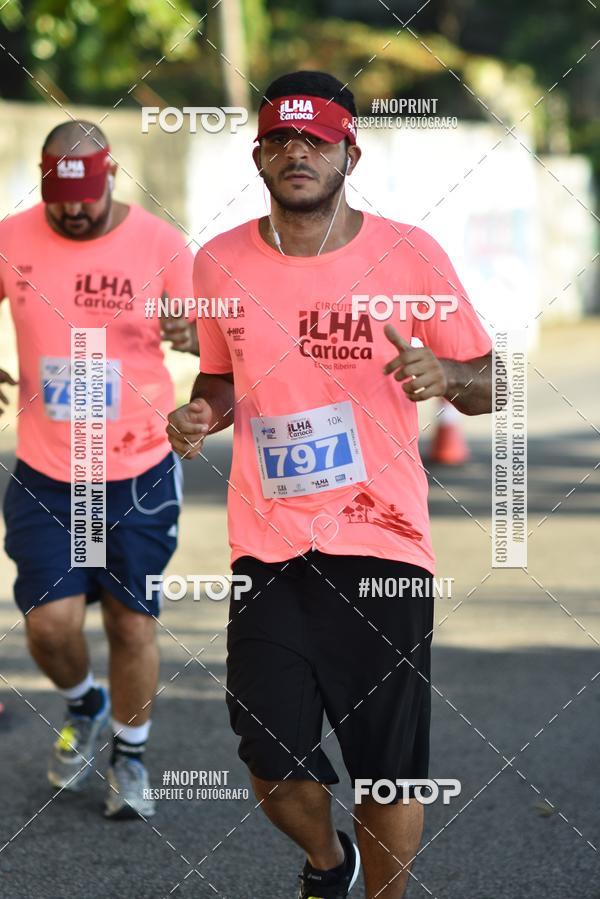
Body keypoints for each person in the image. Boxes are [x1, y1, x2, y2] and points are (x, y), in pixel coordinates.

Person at [167, 70, 494, 898]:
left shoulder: (410, 253)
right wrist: (200, 413)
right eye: (281, 139)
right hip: (268, 543)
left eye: (315, 139)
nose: (297, 152)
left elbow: (495, 381)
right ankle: (328, 862)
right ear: (259, 156)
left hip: (382, 539)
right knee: (270, 755)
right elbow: (218, 376)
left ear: (351, 150)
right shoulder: (220, 260)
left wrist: (448, 372)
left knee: (387, 768)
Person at [0, 120, 195, 819]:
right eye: (59, 198)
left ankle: (131, 755)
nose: (72, 211)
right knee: (49, 626)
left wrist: (194, 332)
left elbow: (220, 332)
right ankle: (86, 704)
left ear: (110, 176)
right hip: (49, 471)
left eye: (84, 197)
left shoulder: (162, 245)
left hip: (136, 468)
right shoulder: (13, 235)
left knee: (130, 623)